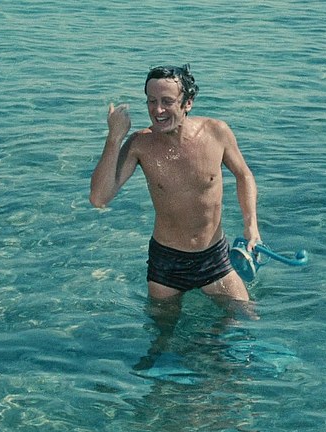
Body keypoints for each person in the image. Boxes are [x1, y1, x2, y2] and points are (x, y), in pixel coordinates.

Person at [89, 64, 261, 303]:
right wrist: (114, 137)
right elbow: (99, 198)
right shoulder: (140, 145)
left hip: (213, 257)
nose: (158, 110)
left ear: (187, 103)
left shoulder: (216, 132)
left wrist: (251, 226)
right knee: (163, 326)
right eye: (151, 101)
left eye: (167, 101)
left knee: (245, 316)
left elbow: (244, 175)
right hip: (167, 262)